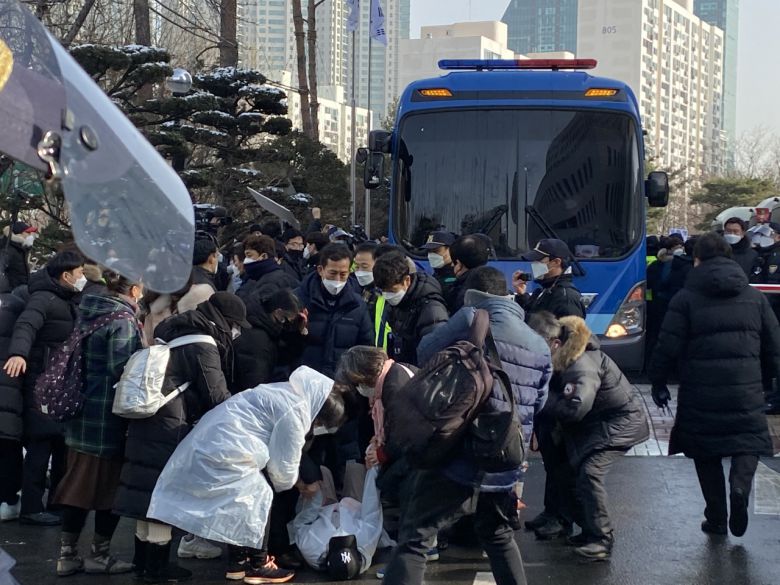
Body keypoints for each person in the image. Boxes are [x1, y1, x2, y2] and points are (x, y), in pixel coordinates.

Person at [147, 367, 348, 585]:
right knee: (258, 497)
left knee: (242, 503)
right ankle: (258, 566)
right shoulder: (297, 412)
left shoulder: (285, 391)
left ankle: (238, 565)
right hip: (226, 452)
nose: (317, 428)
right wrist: (300, 484)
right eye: (320, 423)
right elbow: (283, 469)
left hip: (213, 444)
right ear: (319, 413)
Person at [648, 233, 780, 538]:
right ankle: (740, 487)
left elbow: (667, 344)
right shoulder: (755, 297)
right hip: (746, 387)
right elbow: (775, 346)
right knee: (748, 441)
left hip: (700, 388)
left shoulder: (686, 298)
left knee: (705, 451)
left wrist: (658, 381)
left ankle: (717, 517)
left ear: (697, 260)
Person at [114, 292, 246, 583]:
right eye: (236, 325)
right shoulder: (203, 343)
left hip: (147, 418)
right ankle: (159, 567)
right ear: (226, 321)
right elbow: (217, 396)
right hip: (170, 423)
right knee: (164, 492)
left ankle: (143, 563)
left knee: (144, 491)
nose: (235, 332)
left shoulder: (175, 332)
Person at [528, 312, 649, 561]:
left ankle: (601, 539)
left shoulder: (580, 364)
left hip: (618, 424)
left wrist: (543, 400)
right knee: (570, 472)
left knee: (590, 473)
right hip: (598, 424)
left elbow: (575, 408)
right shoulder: (564, 358)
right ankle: (587, 530)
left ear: (555, 343)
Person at [54, 272, 144, 576]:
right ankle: (99, 554)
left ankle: (67, 554)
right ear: (134, 289)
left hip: (81, 413)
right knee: (109, 490)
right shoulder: (122, 320)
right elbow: (121, 369)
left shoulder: (90, 311)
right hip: (107, 418)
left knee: (77, 484)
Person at [3, 250, 86, 526]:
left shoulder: (66, 299)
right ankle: (31, 507)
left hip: (59, 385)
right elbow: (26, 325)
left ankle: (56, 503)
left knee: (60, 445)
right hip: (43, 384)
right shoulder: (44, 298)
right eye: (80, 273)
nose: (82, 278)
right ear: (66, 275)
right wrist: (18, 354)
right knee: (41, 446)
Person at [296, 244, 374, 378]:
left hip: (342, 384)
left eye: (343, 274)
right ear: (321, 270)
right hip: (304, 381)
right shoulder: (298, 300)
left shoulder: (357, 305)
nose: (337, 280)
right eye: (332, 273)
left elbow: (366, 348)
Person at [290, 468, 384, 580]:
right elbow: (371, 507)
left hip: (322, 508)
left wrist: (315, 493)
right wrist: (373, 470)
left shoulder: (311, 548)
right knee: (356, 468)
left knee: (321, 471)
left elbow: (301, 523)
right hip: (355, 506)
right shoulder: (366, 542)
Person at [373, 250, 449, 366]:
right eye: (383, 291)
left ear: (407, 280)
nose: (387, 296)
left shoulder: (431, 309)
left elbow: (436, 354)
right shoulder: (400, 302)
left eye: (392, 290)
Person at [232, 288, 306, 393]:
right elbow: (254, 385)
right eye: (288, 321)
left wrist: (299, 333)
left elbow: (286, 355)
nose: (287, 326)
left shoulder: (265, 327)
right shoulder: (258, 340)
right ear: (278, 312)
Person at [513, 238, 586, 319]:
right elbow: (533, 319)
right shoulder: (546, 290)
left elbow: (571, 330)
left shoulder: (566, 297)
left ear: (556, 262)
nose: (534, 264)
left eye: (539, 260)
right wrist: (522, 295)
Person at [238, 235, 300, 303]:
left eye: (249, 255)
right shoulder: (254, 279)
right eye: (245, 256)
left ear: (264, 256)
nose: (246, 260)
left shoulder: (270, 284)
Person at [352, 241, 390, 350]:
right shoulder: (362, 290)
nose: (359, 272)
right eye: (357, 267)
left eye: (364, 267)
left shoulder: (387, 293)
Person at [446, 235, 490, 313]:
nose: (452, 265)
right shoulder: (497, 285)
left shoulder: (461, 292)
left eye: (454, 262)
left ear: (459, 264)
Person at [0, 221, 37, 291]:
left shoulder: (20, 249)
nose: (31, 235)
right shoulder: (8, 250)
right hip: (11, 295)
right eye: (28, 232)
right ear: (18, 234)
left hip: (19, 291)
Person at [421, 231, 458, 300]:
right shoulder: (437, 273)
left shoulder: (457, 276)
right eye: (429, 251)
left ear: (451, 249)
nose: (431, 255)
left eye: (436, 251)